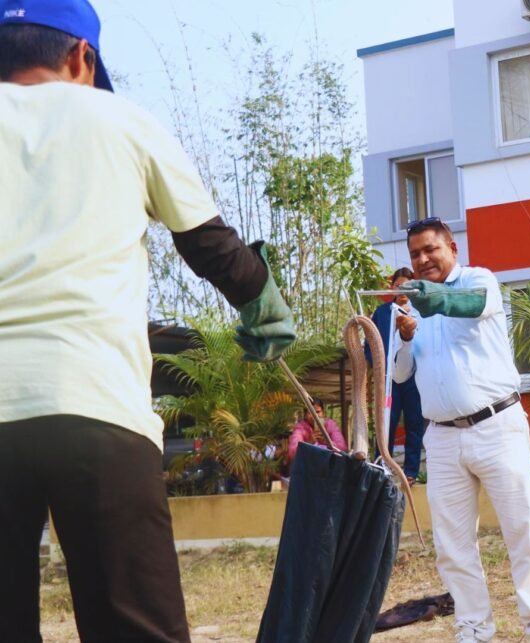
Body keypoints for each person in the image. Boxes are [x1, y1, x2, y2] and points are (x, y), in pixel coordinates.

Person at [0, 2, 296, 640]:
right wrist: (264, 308)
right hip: (96, 404)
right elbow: (211, 246)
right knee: (136, 627)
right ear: (82, 56)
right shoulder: (120, 119)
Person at [392, 217, 530, 642]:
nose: (423, 258)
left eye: (431, 249)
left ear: (451, 247)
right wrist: (408, 336)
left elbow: (466, 304)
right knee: (452, 546)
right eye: (415, 254)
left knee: (521, 532)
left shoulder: (477, 280)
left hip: (496, 425)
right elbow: (398, 375)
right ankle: (473, 630)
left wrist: (430, 301)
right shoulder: (413, 307)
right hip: (443, 437)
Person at [365, 267, 426, 484]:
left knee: (414, 423)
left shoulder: (420, 312)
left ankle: (410, 472)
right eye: (399, 285)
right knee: (385, 424)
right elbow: (369, 345)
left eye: (408, 286)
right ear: (392, 287)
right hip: (388, 379)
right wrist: (378, 370)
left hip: (414, 378)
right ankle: (382, 469)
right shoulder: (381, 313)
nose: (402, 290)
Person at [287, 398, 347, 464]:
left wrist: (328, 442)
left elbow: (343, 448)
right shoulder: (300, 428)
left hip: (329, 466)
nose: (315, 416)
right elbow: (292, 453)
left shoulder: (330, 425)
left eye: (318, 412)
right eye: (310, 412)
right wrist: (309, 443)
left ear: (323, 413)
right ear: (305, 415)